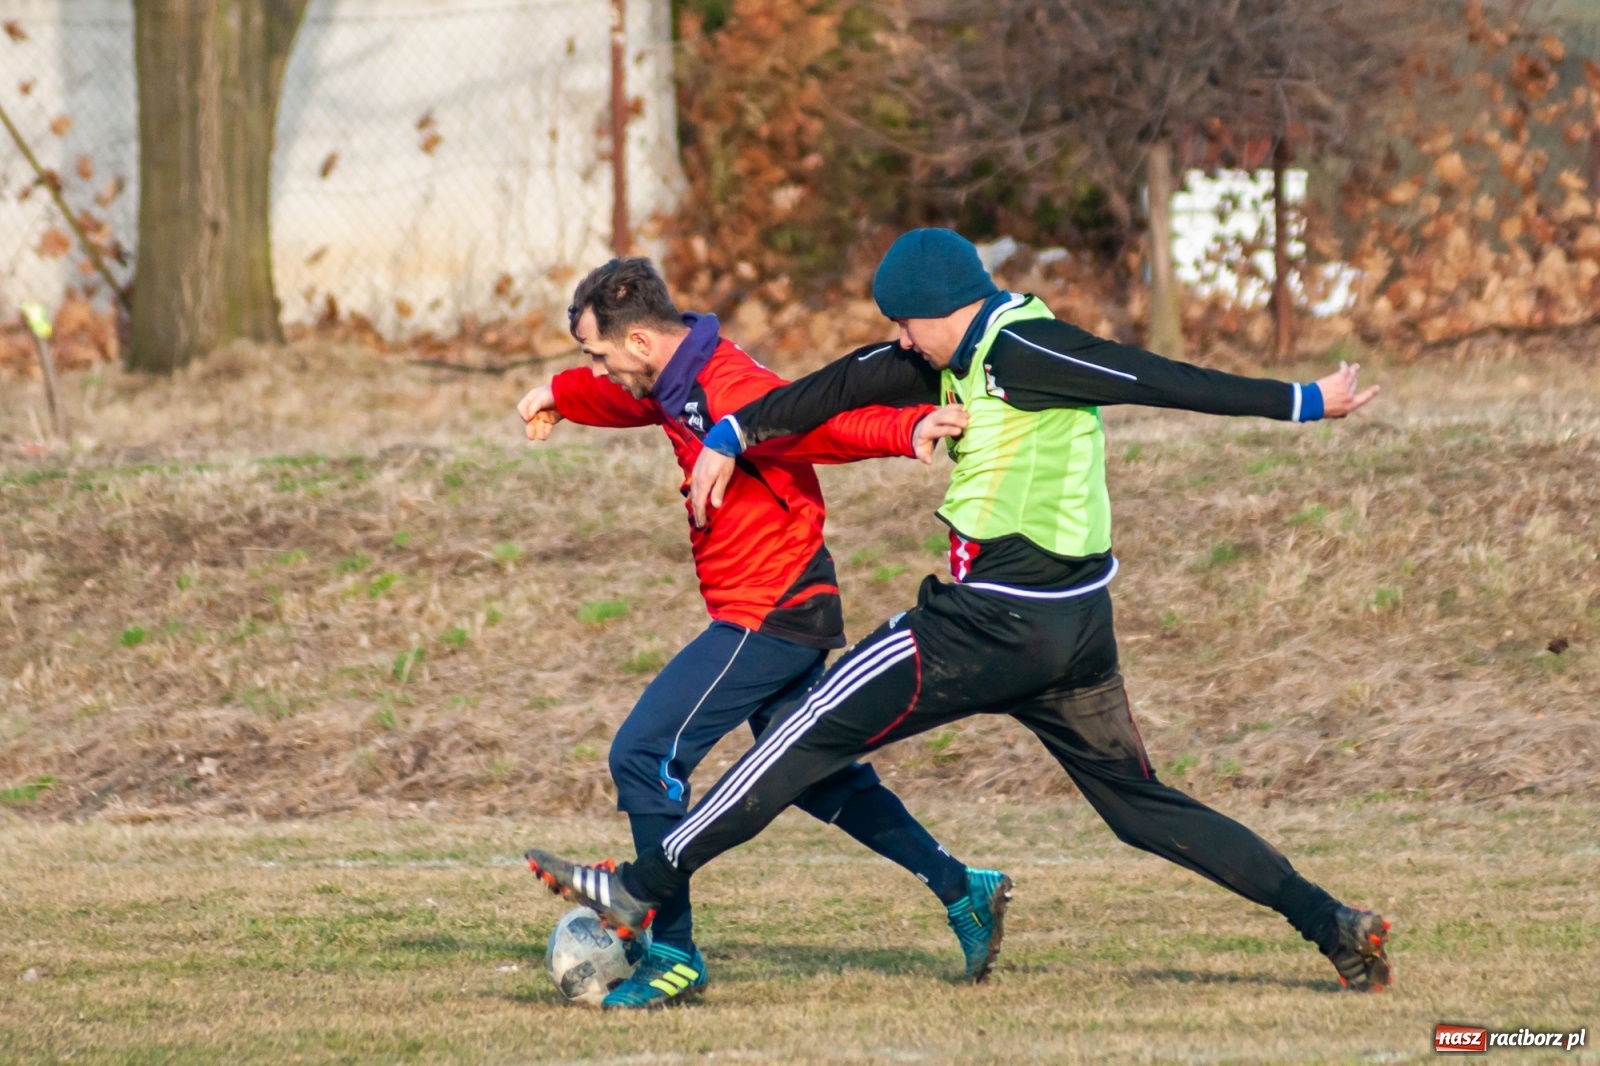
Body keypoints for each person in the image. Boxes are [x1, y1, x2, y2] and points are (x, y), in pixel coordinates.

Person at [527, 229, 1396, 993]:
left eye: (905, 322)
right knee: (1140, 808)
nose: (897, 339)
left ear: (945, 307)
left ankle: (644, 885)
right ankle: (1330, 924)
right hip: (1075, 632)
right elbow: (827, 391)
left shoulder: (1028, 351)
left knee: (802, 733)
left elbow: (1152, 375)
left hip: (984, 621)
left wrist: (1304, 400)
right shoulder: (947, 354)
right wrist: (729, 434)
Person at [516, 256, 1009, 1008]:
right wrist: (559, 393)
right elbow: (624, 400)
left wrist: (905, 428)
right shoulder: (673, 381)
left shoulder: (727, 389)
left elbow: (814, 421)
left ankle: (673, 952)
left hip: (769, 611)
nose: (598, 368)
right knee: (818, 775)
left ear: (643, 343)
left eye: (598, 353)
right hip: (774, 606)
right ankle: (960, 887)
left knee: (644, 755)